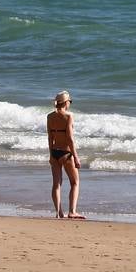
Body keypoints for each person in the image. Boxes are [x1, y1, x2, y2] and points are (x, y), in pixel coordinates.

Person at [46, 90, 83, 219]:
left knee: (56, 184)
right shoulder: (68, 116)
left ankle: (58, 212)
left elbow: (50, 138)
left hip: (55, 152)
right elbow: (70, 139)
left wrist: (51, 154)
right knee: (75, 182)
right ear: (66, 103)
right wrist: (76, 157)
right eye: (70, 101)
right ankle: (72, 211)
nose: (70, 104)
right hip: (66, 153)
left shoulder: (50, 116)